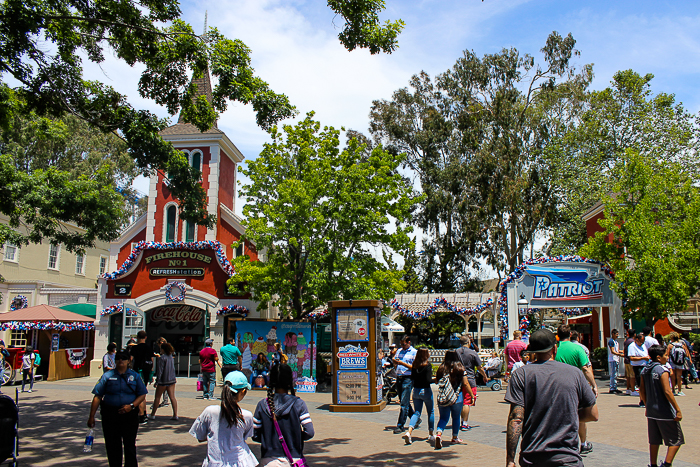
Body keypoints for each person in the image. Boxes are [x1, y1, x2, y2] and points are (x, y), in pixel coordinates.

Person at [505, 329, 598, 467]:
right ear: (555, 348)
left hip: (533, 457)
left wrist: (510, 459)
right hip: (567, 458)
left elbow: (516, 419)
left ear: (532, 351)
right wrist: (568, 416)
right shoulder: (575, 374)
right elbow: (593, 414)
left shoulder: (521, 375)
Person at [88, 350, 148, 467]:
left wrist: (131, 406)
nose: (121, 360)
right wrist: (91, 416)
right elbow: (97, 396)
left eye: (124, 358)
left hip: (129, 415)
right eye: (118, 358)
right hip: (110, 414)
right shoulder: (107, 376)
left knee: (129, 444)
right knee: (112, 445)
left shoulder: (134, 376)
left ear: (129, 360)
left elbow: (142, 394)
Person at [190, 371, 257, 467]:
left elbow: (200, 437)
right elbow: (244, 436)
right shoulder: (246, 415)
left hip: (215, 461)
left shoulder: (209, 411)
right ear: (243, 392)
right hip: (242, 461)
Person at [252, 363, 315, 466]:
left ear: (271, 381)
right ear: (290, 381)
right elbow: (310, 432)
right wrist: (296, 437)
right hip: (294, 460)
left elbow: (254, 435)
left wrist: (267, 439)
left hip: (268, 460)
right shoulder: (299, 404)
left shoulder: (262, 405)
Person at [554, 324, 597, 455]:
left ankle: (560, 443)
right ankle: (583, 443)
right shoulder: (578, 349)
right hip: (575, 386)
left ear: (558, 335)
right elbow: (585, 369)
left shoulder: (554, 349)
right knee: (579, 416)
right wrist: (593, 385)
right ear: (571, 335)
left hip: (556, 386)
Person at [640, 345, 684, 467]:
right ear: (659, 358)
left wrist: (646, 404)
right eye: (665, 355)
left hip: (651, 411)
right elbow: (667, 391)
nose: (667, 357)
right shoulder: (662, 370)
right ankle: (667, 464)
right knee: (676, 439)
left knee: (654, 440)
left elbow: (642, 390)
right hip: (664, 410)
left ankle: (652, 464)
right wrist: (677, 409)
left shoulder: (645, 370)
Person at [394, 348, 434, 445]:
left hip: (416, 390)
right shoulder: (427, 366)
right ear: (425, 355)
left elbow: (412, 377)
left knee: (417, 413)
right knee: (430, 411)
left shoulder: (415, 365)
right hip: (426, 390)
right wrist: (436, 379)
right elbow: (428, 380)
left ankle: (409, 431)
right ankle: (431, 433)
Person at [434, 350, 471, 449]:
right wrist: (471, 395)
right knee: (456, 417)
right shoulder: (460, 368)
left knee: (443, 418)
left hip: (444, 396)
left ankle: (438, 434)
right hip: (457, 397)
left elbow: (437, 381)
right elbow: (465, 383)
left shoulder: (441, 368)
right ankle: (455, 437)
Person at [456, 335, 488, 431]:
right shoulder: (473, 353)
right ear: (469, 342)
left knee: (461, 402)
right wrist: (484, 376)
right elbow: (479, 367)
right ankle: (464, 423)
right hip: (469, 379)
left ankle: (461, 421)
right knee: (467, 402)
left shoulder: (456, 352)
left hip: (457, 379)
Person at [392, 335, 418, 434]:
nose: (402, 346)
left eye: (404, 344)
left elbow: (414, 368)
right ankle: (415, 418)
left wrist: (403, 364)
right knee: (404, 400)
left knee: (403, 403)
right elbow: (396, 362)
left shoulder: (414, 352)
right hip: (399, 377)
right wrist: (395, 361)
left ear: (409, 343)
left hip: (408, 377)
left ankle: (400, 425)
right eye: (401, 344)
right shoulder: (399, 351)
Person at [129, 330, 154, 425]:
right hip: (146, 371)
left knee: (139, 394)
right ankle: (143, 413)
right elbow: (152, 360)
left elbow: (130, 360)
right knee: (143, 393)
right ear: (146, 337)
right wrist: (151, 373)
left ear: (137, 338)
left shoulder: (135, 348)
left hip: (138, 372)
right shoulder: (149, 348)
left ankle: (141, 415)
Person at [149, 342, 178, 421]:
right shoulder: (171, 357)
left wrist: (157, 381)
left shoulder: (162, 358)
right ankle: (175, 414)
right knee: (172, 397)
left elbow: (160, 371)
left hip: (163, 380)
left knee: (157, 397)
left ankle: (153, 414)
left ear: (163, 349)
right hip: (171, 380)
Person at [628, 332, 651, 404]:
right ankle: (642, 401)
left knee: (646, 384)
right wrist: (643, 358)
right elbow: (631, 358)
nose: (642, 343)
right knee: (641, 384)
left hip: (645, 365)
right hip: (638, 367)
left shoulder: (642, 345)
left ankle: (646, 399)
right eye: (641, 342)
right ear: (637, 340)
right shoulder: (632, 346)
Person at [666, 332, 690, 396]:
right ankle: (680, 390)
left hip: (672, 362)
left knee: (673, 377)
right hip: (680, 362)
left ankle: (673, 390)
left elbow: (667, 355)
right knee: (679, 376)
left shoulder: (670, 345)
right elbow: (687, 354)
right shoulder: (682, 345)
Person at [607, 329, 624, 394]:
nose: (617, 335)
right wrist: (620, 355)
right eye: (616, 334)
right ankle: (612, 388)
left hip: (616, 359)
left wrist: (622, 351)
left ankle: (615, 387)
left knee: (616, 374)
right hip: (613, 359)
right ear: (613, 334)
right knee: (613, 374)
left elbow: (617, 350)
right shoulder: (611, 341)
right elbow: (613, 351)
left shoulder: (615, 341)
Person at [623, 328, 637, 395]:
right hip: (630, 360)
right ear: (634, 334)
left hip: (626, 360)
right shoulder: (632, 341)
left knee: (628, 376)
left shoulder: (626, 340)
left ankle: (628, 389)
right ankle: (633, 390)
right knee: (632, 376)